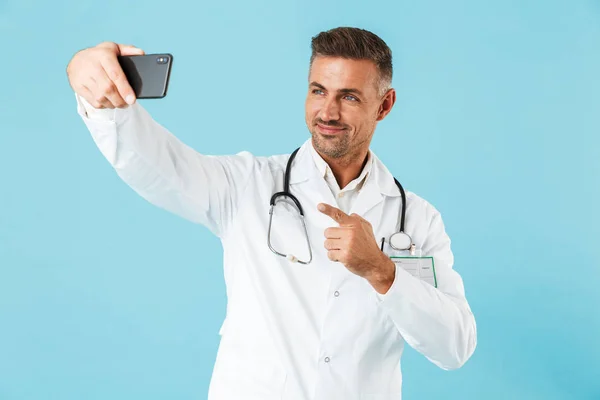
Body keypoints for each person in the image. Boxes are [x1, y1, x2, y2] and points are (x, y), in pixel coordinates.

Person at [67, 27, 476, 400]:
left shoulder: (417, 220)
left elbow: (454, 346)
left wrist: (382, 272)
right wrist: (98, 94)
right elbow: (154, 164)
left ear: (384, 105)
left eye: (349, 97)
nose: (328, 112)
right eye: (318, 91)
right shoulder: (246, 185)